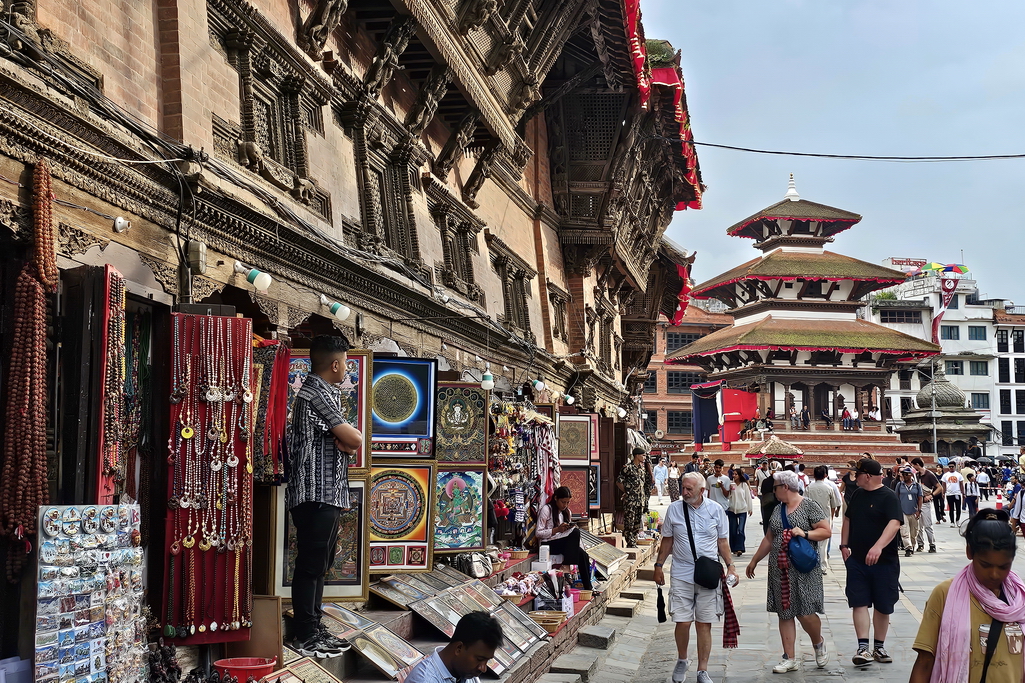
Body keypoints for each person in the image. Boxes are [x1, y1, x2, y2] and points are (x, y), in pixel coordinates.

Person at [286, 335, 365, 658]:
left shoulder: (324, 392)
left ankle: (314, 625)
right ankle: (305, 632)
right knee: (311, 565)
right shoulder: (316, 393)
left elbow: (348, 442)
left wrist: (347, 441)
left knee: (321, 564)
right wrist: (348, 441)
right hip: (315, 493)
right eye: (345, 362)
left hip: (327, 492)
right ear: (334, 364)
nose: (346, 368)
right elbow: (354, 440)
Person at [909, 509, 1025, 683]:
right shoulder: (945, 594)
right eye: (985, 565)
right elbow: (925, 663)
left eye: (1003, 567)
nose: (994, 574)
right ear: (969, 552)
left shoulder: (1020, 599)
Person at [653, 472, 739, 683]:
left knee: (704, 623)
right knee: (682, 622)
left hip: (708, 574)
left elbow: (722, 542)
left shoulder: (716, 510)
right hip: (682, 573)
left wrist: (731, 566)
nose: (684, 492)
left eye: (689, 489)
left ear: (702, 491)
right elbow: (667, 540)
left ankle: (702, 669)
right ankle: (682, 659)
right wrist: (658, 565)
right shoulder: (674, 509)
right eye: (683, 488)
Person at [746, 470, 831, 673]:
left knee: (806, 612)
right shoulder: (778, 509)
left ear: (785, 487)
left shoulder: (809, 505)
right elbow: (769, 538)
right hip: (781, 569)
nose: (773, 491)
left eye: (775, 487)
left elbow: (826, 530)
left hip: (804, 569)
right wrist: (755, 560)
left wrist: (805, 533)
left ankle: (818, 642)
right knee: (785, 611)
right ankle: (789, 657)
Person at [839, 458, 903, 667]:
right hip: (857, 559)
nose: (854, 477)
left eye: (857, 474)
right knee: (858, 601)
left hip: (885, 562)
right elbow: (848, 519)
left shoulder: (889, 496)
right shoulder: (858, 494)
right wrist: (844, 544)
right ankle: (863, 647)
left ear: (867, 476)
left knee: (883, 605)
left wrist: (878, 547)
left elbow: (894, 523)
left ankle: (879, 646)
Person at [404, 611, 503, 683]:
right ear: (459, 648)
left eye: (487, 661)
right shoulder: (424, 680)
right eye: (479, 659)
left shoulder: (466, 673)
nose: (483, 668)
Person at [805, 466, 842, 574]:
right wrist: (831, 517)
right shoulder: (829, 488)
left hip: (811, 518)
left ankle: (811, 564)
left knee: (811, 541)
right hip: (825, 518)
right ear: (825, 475)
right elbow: (833, 505)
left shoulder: (809, 488)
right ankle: (822, 566)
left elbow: (804, 503)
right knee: (823, 544)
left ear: (814, 475)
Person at [617, 448, 647, 547]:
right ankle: (630, 542)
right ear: (637, 455)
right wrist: (627, 492)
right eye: (643, 455)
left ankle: (633, 541)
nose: (644, 457)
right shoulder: (628, 468)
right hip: (631, 501)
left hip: (640, 500)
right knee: (629, 522)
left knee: (637, 523)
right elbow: (619, 482)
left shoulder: (641, 469)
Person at [910, 457, 939, 553]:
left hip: (925, 503)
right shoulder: (916, 475)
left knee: (927, 525)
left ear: (917, 465)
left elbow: (939, 487)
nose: (913, 467)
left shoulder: (929, 474)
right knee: (918, 526)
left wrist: (931, 495)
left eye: (913, 465)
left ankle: (932, 544)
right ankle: (920, 544)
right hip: (917, 502)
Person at [895, 467, 924, 558]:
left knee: (914, 532)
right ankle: (908, 548)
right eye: (903, 474)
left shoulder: (917, 485)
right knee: (904, 532)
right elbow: (896, 497)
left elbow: (920, 498)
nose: (904, 476)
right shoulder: (900, 485)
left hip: (914, 511)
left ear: (911, 475)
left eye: (906, 474)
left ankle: (912, 545)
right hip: (903, 511)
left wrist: (919, 510)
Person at [727, 471, 753, 556]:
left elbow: (747, 497)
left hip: (742, 509)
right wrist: (729, 490)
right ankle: (734, 548)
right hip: (732, 509)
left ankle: (740, 548)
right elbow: (728, 496)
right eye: (733, 474)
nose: (734, 476)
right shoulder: (731, 484)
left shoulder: (744, 485)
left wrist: (750, 508)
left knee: (740, 529)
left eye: (736, 474)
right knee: (733, 530)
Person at [760, 462, 781, 534]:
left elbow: (763, 492)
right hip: (778, 504)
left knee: (766, 521)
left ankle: (766, 535)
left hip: (767, 504)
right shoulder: (780, 482)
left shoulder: (765, 481)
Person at [943, 463, 965, 528]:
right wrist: (943, 493)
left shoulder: (958, 475)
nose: (951, 468)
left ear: (955, 467)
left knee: (958, 508)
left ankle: (957, 520)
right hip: (949, 494)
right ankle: (952, 522)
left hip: (957, 493)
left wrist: (963, 493)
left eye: (952, 466)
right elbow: (943, 485)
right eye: (949, 466)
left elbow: (961, 484)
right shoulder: (945, 475)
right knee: (951, 509)